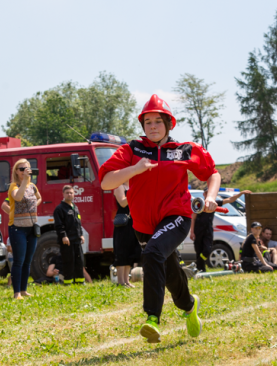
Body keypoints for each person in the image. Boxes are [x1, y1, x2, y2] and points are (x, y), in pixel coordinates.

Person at [99, 94, 219, 344]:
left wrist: (210, 197)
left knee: (152, 254)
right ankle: (189, 305)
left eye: (157, 121)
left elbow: (213, 174)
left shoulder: (184, 150)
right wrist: (136, 168)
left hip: (177, 216)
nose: (152, 126)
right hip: (143, 224)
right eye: (148, 122)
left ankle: (152, 318)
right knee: (169, 269)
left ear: (168, 123)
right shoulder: (132, 149)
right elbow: (106, 182)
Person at [189, 190, 250, 272]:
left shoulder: (214, 203)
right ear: (204, 194)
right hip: (198, 230)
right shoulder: (199, 204)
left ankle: (198, 263)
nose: (208, 195)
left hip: (208, 230)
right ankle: (201, 269)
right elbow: (193, 218)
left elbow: (230, 200)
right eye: (206, 193)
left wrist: (240, 194)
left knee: (207, 250)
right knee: (198, 251)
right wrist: (192, 232)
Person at [7, 159, 41, 300]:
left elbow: (39, 198)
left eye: (26, 169)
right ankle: (16, 293)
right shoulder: (14, 186)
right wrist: (25, 181)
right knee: (18, 260)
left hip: (31, 227)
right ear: (16, 171)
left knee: (28, 261)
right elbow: (19, 197)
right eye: (21, 169)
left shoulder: (32, 186)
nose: (24, 171)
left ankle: (24, 290)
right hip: (17, 228)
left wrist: (33, 207)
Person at [53, 185, 86, 286]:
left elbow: (78, 223)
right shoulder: (59, 209)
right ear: (63, 194)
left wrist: (81, 235)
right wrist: (63, 235)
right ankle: (68, 282)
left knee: (79, 261)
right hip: (67, 240)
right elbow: (59, 225)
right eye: (67, 193)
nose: (69, 194)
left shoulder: (75, 207)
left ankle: (80, 281)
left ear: (74, 194)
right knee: (69, 262)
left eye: (71, 193)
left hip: (76, 239)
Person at [112, 183, 141, 287]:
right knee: (122, 251)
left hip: (133, 221)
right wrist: (135, 193)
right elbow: (123, 203)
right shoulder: (119, 187)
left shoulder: (132, 187)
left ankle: (126, 281)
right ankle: (120, 281)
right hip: (123, 224)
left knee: (130, 251)